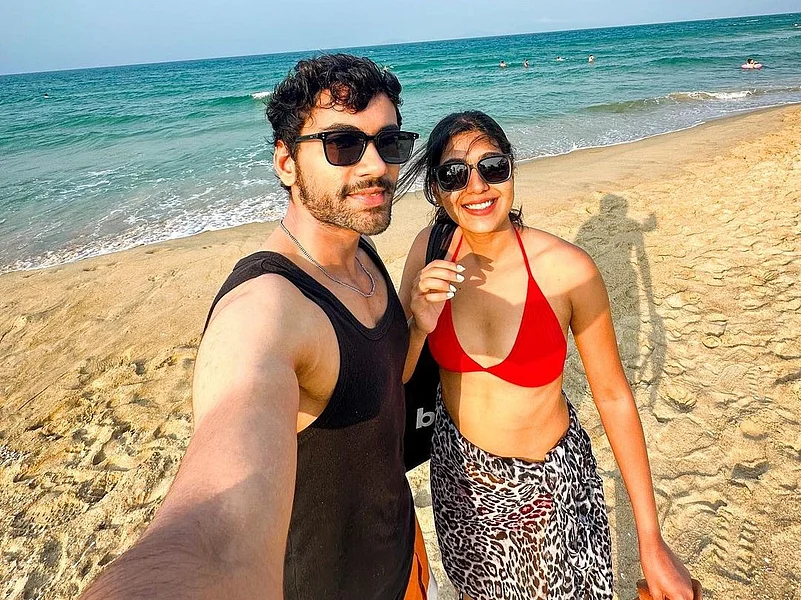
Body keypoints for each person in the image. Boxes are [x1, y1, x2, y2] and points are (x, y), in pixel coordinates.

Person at [80, 54, 434, 600]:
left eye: (389, 144)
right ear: (286, 163)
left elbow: (384, 381)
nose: (374, 168)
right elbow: (216, 539)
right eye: (343, 145)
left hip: (405, 562)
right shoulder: (264, 308)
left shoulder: (361, 254)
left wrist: (416, 328)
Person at [397, 111, 694, 600]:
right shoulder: (426, 254)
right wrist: (417, 326)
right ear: (435, 189)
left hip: (548, 487)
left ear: (512, 170)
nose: (477, 186)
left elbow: (614, 396)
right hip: (459, 476)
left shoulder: (567, 270)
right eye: (454, 173)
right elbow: (401, 376)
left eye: (492, 167)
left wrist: (650, 539)